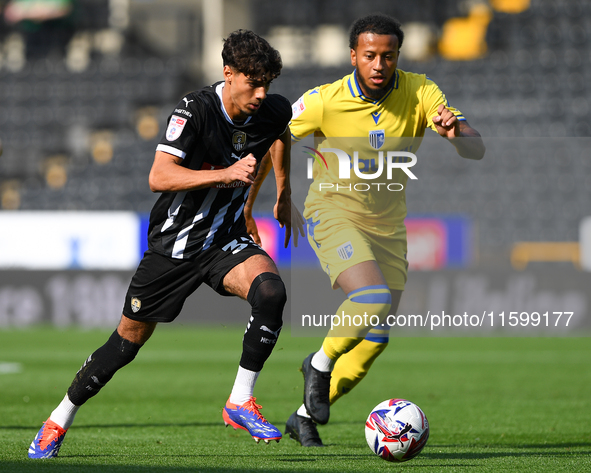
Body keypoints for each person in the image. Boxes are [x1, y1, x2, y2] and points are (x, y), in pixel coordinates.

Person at [28, 29, 299, 459]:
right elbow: (159, 176)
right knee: (124, 345)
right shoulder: (195, 110)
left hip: (225, 240)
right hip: (173, 247)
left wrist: (281, 192)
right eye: (254, 83)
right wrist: (224, 174)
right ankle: (58, 419)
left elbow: (282, 133)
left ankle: (239, 401)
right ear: (228, 74)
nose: (262, 93)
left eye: (268, 84)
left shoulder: (272, 109)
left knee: (271, 292)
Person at [257, 14, 485, 447]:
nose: (379, 63)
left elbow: (476, 148)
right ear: (353, 56)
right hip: (332, 212)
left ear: (398, 55)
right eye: (370, 55)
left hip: (388, 227)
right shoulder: (326, 99)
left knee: (374, 339)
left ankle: (303, 416)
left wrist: (456, 134)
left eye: (388, 55)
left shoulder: (421, 91)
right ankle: (318, 365)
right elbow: (276, 134)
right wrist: (281, 193)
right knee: (371, 298)